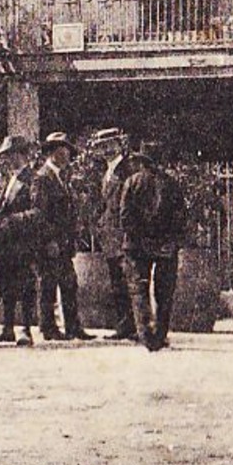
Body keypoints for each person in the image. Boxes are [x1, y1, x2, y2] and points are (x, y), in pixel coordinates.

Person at [118, 144, 186, 353]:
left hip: (137, 245)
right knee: (164, 291)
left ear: (142, 162)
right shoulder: (172, 184)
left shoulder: (132, 182)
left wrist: (139, 236)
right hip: (165, 246)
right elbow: (181, 217)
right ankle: (160, 333)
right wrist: (170, 240)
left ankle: (146, 334)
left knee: (138, 289)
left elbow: (125, 217)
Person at [32, 132, 94, 341]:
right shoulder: (42, 177)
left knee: (69, 284)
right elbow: (40, 213)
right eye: (64, 149)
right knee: (48, 284)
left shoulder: (60, 177)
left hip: (63, 243)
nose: (68, 154)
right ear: (53, 152)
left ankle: (73, 327)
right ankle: (48, 328)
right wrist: (49, 240)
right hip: (50, 243)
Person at [0, 135, 43, 346]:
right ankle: (7, 328)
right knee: (6, 286)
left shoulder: (33, 179)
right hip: (5, 244)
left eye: (10, 155)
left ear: (21, 155)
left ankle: (25, 328)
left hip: (22, 242)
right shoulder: (10, 179)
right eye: (5, 156)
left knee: (25, 286)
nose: (6, 160)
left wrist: (11, 221)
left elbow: (38, 212)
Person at [89, 128, 139, 342]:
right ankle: (124, 326)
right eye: (102, 146)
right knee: (117, 283)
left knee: (129, 282)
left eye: (110, 144)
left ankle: (136, 326)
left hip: (124, 235)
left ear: (120, 144)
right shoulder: (108, 171)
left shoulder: (127, 170)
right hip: (110, 236)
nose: (106, 149)